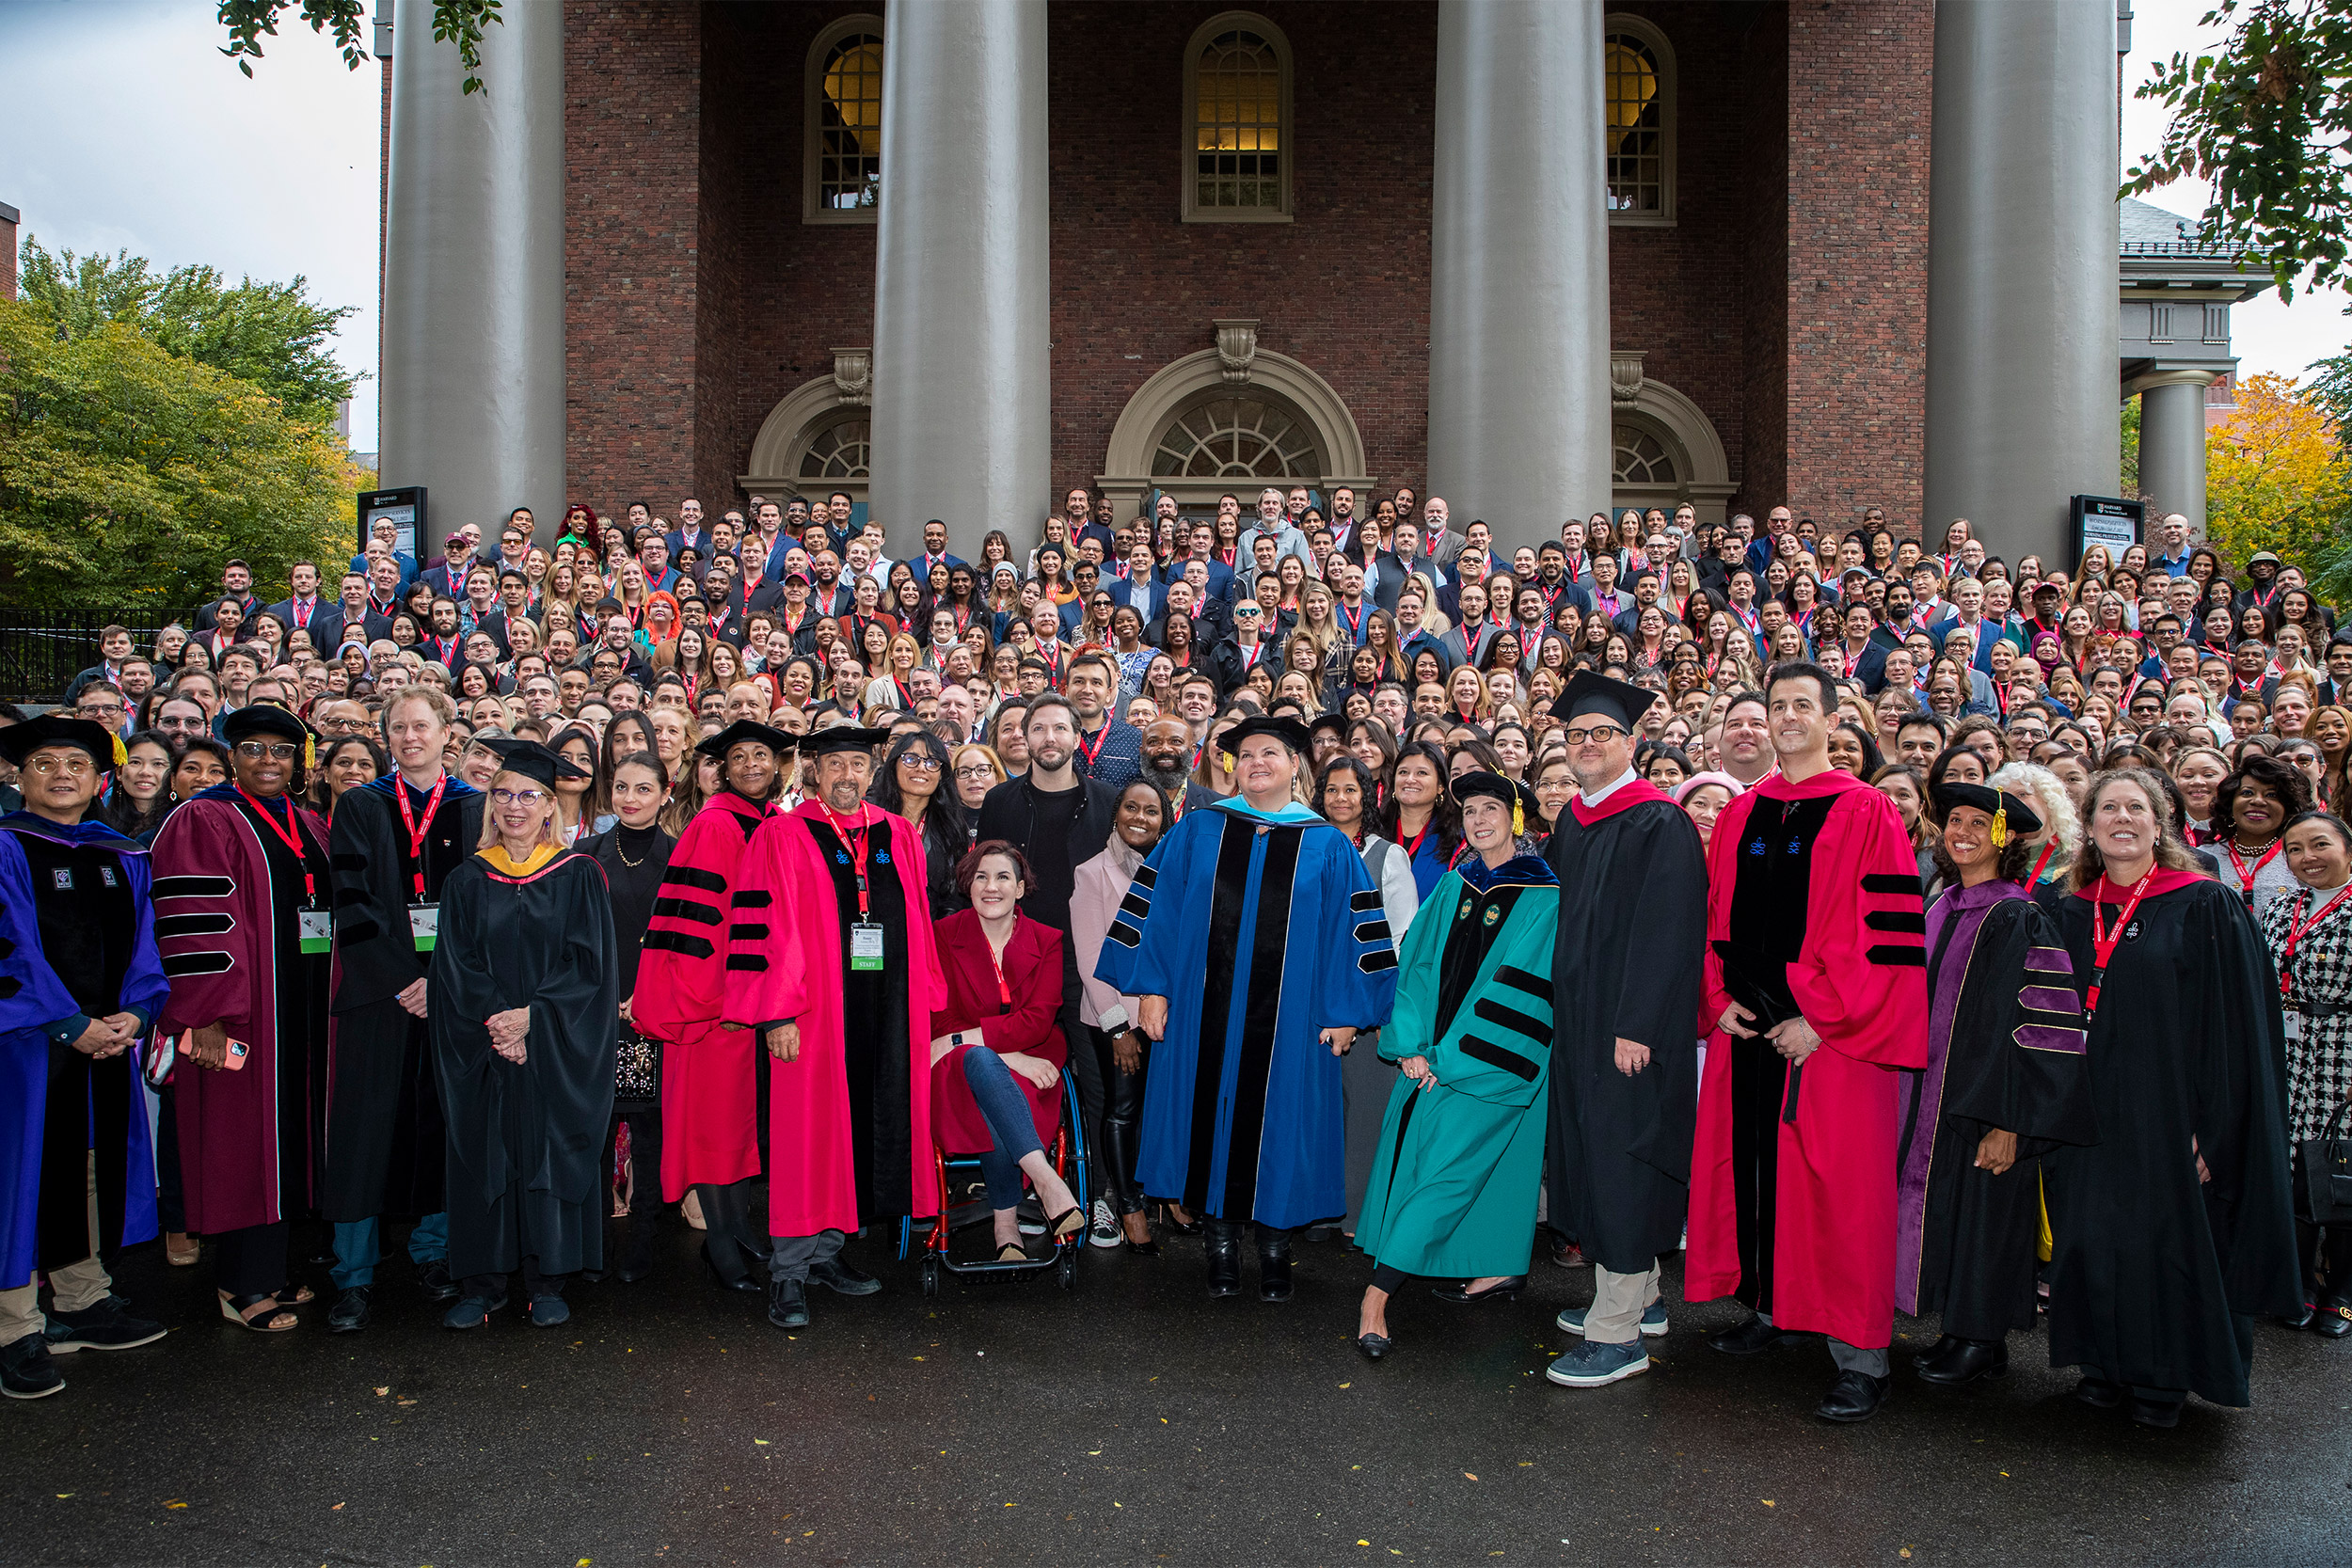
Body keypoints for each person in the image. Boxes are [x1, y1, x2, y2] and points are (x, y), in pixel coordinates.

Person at [1687, 663, 1929, 1423]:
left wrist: (1821, 1019)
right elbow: (1713, 916)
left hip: (1833, 1043)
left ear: (1832, 718)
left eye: (1801, 705)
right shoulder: (1741, 812)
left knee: (1839, 1191)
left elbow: (1886, 937)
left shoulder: (1867, 812)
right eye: (1776, 705)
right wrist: (1716, 1000)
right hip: (1749, 1031)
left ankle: (1862, 1355)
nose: (1786, 717)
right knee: (1756, 1175)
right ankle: (1771, 1307)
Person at [1094, 716, 1399, 1302]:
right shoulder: (1198, 831)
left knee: (1281, 1123)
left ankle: (1276, 1249)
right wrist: (1152, 988)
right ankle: (1221, 1246)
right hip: (1201, 1013)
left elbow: (1354, 931)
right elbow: (1158, 907)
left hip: (1290, 1021)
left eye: (1271, 752)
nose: (1257, 761)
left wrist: (1345, 1012)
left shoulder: (1328, 844)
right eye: (1246, 754)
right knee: (1208, 1119)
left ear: (1295, 765)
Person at [2044, 768, 2298, 1426]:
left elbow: (2236, 1030)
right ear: (2090, 826)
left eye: (2136, 807)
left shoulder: (2204, 904)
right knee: (2091, 1237)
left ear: (2161, 823)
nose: (2121, 818)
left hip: (2171, 1112)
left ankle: (2164, 1376)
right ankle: (2100, 1362)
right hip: (2086, 1110)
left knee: (2164, 1243)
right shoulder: (2067, 908)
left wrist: (2216, 1129)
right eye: (2107, 808)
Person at [725, 725, 945, 1330]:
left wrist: (924, 997)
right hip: (814, 1014)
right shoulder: (783, 833)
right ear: (813, 772)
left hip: (887, 1010)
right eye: (835, 765)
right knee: (806, 1138)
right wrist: (775, 1014)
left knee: (858, 1134)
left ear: (872, 770)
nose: (847, 776)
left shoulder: (897, 833)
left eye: (857, 764)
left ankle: (826, 1254)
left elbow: (919, 918)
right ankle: (789, 1273)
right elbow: (762, 929)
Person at [1537, 673, 1709, 1388]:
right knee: (1591, 1151)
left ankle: (1617, 1335)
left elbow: (1669, 934)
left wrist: (1637, 1024)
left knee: (1621, 1159)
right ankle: (1639, 1297)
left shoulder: (1657, 820)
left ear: (1631, 742)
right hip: (1579, 1024)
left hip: (1628, 1030)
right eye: (1576, 735)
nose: (1586, 744)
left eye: (1601, 733)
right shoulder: (1575, 819)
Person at [1351, 772, 1556, 1359]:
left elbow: (1520, 990)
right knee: (1440, 1168)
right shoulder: (1455, 884)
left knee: (1442, 1177)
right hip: (1428, 1061)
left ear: (1516, 818)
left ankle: (1375, 1300)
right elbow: (1414, 963)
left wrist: (1450, 1058)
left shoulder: (1545, 895)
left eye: (1492, 808)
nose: (1479, 820)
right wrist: (1413, 1045)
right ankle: (1496, 1264)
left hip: (1483, 1067)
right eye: (1469, 811)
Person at [1899, 780, 2096, 1387]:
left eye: (1977, 824)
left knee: (1987, 1218)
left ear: (2003, 838)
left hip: (1988, 1104)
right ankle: (1958, 1330)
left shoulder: (2020, 915)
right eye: (1952, 820)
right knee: (1951, 1215)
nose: (1960, 831)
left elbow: (2046, 1030)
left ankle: (1981, 1339)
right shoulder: (1940, 905)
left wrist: (2011, 1120)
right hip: (1932, 1098)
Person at [0, 718, 172, 1400]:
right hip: (26, 1048)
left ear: (100, 777)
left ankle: (80, 1295)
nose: (62, 774)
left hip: (106, 1040)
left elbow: (146, 949)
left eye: (76, 762)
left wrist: (136, 1011)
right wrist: (69, 1022)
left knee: (91, 1164)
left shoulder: (121, 853)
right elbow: (9, 948)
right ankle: (15, 1325)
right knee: (22, 1173)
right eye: (45, 762)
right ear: (21, 774)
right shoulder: (8, 847)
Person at [151, 705, 334, 1332]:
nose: (267, 761)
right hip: (241, 1019)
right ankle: (240, 1283)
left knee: (287, 1139)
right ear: (231, 756)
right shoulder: (204, 819)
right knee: (242, 1142)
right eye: (252, 748)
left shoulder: (308, 823)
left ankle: (273, 1267)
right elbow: (195, 922)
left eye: (282, 750)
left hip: (301, 1012)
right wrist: (203, 1015)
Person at [431, 737, 618, 1328]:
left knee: (546, 1147)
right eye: (504, 794)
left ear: (549, 806)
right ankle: (482, 1283)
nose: (515, 806)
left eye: (530, 795)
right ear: (491, 802)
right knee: (485, 1150)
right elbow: (455, 964)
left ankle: (548, 1278)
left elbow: (590, 963)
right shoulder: (468, 878)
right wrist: (499, 1023)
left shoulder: (578, 874)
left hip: (554, 1043)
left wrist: (535, 1016)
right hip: (484, 1045)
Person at [321, 687, 482, 1332]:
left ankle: (435, 1252)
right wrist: (402, 978)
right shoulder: (361, 805)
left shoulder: (476, 808)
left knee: (445, 1124)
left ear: (448, 731)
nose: (409, 737)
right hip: (378, 997)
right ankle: (352, 1274)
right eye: (398, 728)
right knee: (366, 1130)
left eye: (421, 725)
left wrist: (440, 979)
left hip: (453, 998)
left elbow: (486, 908)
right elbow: (351, 903)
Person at [631, 720, 789, 1294]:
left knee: (740, 1128)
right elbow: (695, 923)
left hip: (755, 1003)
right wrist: (716, 1001)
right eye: (740, 757)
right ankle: (721, 1244)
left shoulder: (771, 823)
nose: (751, 765)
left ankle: (739, 1228)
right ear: (723, 769)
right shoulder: (717, 825)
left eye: (762, 756)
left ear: (780, 767)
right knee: (717, 1129)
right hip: (715, 1008)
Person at [928, 843, 1084, 1260]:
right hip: (961, 1069)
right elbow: (941, 1022)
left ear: (1020, 888)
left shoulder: (1047, 940)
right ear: (967, 885)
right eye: (980, 876)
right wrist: (1007, 1056)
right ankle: (1046, 1180)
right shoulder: (943, 935)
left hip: (1035, 1062)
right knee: (981, 1063)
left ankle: (1005, 1223)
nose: (990, 886)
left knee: (993, 1089)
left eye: (1001, 877)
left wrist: (986, 1047)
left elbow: (1037, 1020)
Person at [576, 752, 675, 1283]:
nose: (630, 799)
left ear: (665, 793)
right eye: (621, 788)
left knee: (647, 1132)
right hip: (596, 1018)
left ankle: (643, 1241)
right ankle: (591, 1244)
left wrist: (647, 996)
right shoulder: (586, 854)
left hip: (649, 1019)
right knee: (593, 1132)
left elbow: (686, 941)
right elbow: (571, 936)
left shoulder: (678, 857)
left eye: (643, 789)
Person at [1072, 779, 1181, 1252]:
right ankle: (1130, 1207)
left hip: (1168, 1016)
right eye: (1131, 808)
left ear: (1164, 819)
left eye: (1151, 810)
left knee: (1166, 1109)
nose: (1140, 817)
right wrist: (1119, 1029)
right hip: (1114, 1018)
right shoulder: (1091, 873)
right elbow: (1091, 960)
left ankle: (1169, 1196)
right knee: (1122, 1110)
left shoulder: (1177, 870)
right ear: (1116, 814)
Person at [1316, 756, 1422, 1238]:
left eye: (1350, 790)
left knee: (1364, 1115)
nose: (1340, 798)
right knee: (1321, 1110)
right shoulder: (1307, 850)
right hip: (1314, 1003)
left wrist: (1361, 1011)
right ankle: (1318, 1209)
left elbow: (1399, 941)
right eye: (1332, 790)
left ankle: (1359, 1216)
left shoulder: (1388, 855)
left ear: (1367, 797)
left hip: (1367, 1007)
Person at [2265, 810, 2352, 1338]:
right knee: (2291, 1170)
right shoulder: (2279, 908)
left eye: (2319, 845)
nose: (2307, 858)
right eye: (2295, 849)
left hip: (2344, 1050)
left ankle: (2342, 1293)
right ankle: (2297, 1285)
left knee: (2341, 1175)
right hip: (2288, 1051)